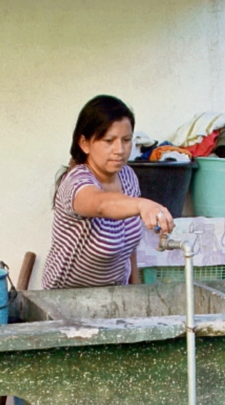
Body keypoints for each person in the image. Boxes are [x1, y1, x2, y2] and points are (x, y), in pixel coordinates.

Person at [42, 95, 175, 289]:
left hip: (112, 295)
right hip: (64, 299)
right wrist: (142, 204)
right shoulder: (76, 182)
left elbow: (129, 248)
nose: (119, 150)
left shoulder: (128, 176)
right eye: (108, 140)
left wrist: (134, 293)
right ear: (84, 143)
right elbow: (101, 204)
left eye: (126, 140)